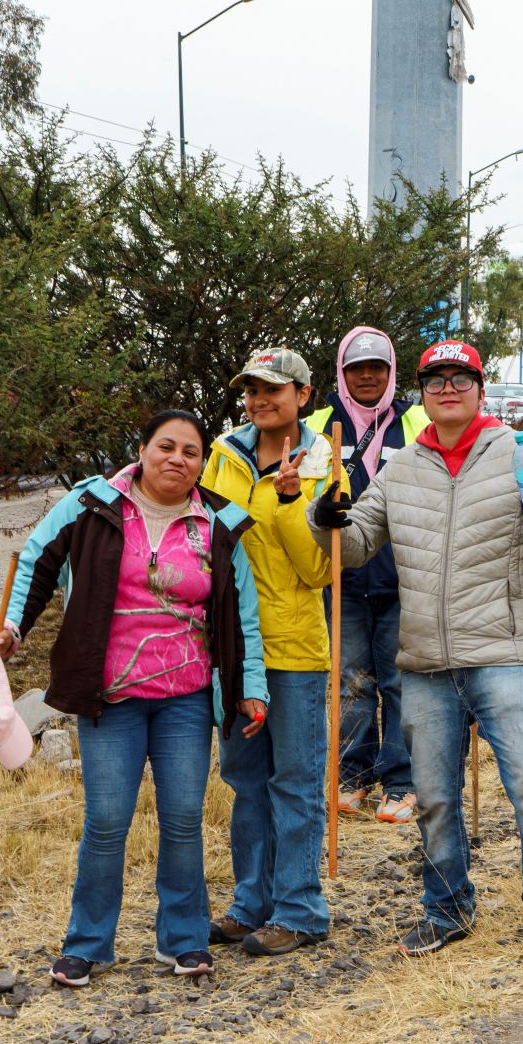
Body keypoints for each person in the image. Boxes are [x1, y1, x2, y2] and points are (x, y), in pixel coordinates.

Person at [311, 338, 523, 965]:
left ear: (480, 387)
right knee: (435, 796)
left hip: (502, 652)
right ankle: (446, 908)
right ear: (421, 391)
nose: (447, 388)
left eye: (460, 378)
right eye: (435, 379)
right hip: (424, 663)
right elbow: (356, 543)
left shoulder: (519, 452)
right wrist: (325, 516)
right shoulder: (403, 467)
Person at [0, 411, 266, 987]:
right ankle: (88, 945)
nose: (178, 459)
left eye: (191, 452)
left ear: (201, 464)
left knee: (185, 819)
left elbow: (244, 614)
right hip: (109, 695)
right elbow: (36, 563)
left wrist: (252, 689)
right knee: (108, 821)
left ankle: (185, 941)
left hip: (185, 698)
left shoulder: (219, 523)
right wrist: (9, 628)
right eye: (166, 446)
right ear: (141, 449)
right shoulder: (92, 505)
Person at [200, 347, 335, 956]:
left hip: (294, 648)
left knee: (296, 781)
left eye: (275, 390)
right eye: (252, 389)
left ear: (304, 395)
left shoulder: (326, 465)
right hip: (232, 648)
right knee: (246, 778)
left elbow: (318, 572)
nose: (261, 400)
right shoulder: (220, 458)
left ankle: (301, 909)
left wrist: (285, 504)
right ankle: (250, 903)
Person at [306, 327, 430, 825]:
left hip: (405, 576)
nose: (367, 376)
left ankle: (402, 780)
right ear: (342, 371)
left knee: (401, 682)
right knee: (350, 681)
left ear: (391, 370)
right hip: (343, 574)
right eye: (357, 368)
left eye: (377, 367)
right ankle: (353, 774)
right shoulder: (317, 424)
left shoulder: (418, 420)